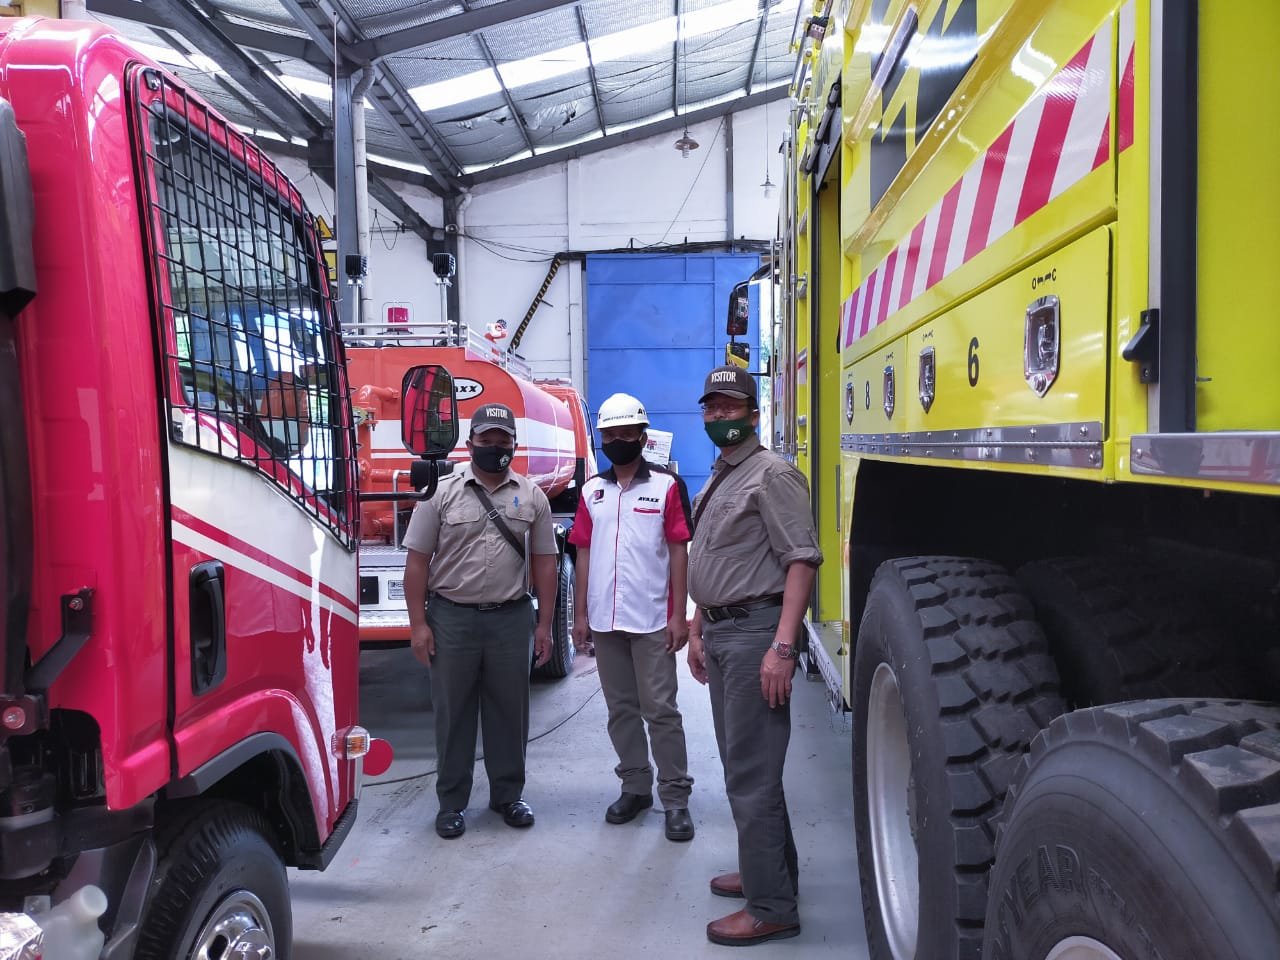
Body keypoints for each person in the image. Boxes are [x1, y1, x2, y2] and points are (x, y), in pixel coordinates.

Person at [685, 366, 822, 947]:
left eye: (730, 406)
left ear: (754, 413)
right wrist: (698, 627)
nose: (720, 416)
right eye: (711, 407)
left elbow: (801, 561)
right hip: (722, 632)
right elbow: (715, 558)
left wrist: (783, 647)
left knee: (751, 774)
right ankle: (767, 870)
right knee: (748, 765)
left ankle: (771, 907)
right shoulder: (724, 473)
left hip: (753, 636)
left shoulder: (773, 475)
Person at [402, 402, 558, 839]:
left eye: (502, 440)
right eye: (486, 439)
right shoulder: (440, 493)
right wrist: (418, 625)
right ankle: (452, 802)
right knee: (453, 714)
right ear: (470, 444)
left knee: (510, 712)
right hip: (451, 619)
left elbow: (545, 562)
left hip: (511, 618)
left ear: (514, 445)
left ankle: (508, 796)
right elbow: (417, 562)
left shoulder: (532, 496)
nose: (494, 446)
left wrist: (544, 624)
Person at [569, 393, 695, 842]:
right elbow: (584, 553)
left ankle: (675, 798)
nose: (618, 441)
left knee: (661, 711)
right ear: (601, 439)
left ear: (642, 437)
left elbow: (679, 551)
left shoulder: (666, 486)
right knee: (621, 710)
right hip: (606, 622)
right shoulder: (592, 491)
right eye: (610, 435)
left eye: (626, 433)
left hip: (652, 619)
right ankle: (635, 787)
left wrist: (679, 615)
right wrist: (580, 614)